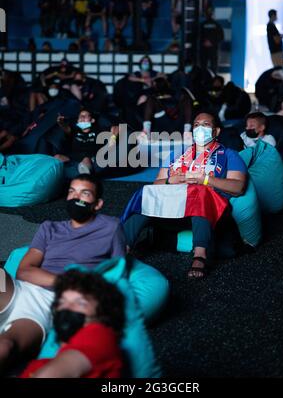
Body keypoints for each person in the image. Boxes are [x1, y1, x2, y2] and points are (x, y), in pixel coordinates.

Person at [0, 175, 126, 374]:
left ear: (98, 203)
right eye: (71, 191)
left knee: (5, 348)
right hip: (20, 289)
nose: (76, 197)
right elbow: (24, 270)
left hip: (45, 307)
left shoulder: (111, 227)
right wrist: (66, 281)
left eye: (84, 193)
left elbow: (119, 270)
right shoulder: (49, 227)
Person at [123, 112, 247, 279]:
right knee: (146, 193)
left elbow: (238, 187)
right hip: (173, 210)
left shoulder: (229, 155)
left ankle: (200, 256)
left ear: (216, 131)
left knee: (201, 192)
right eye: (196, 125)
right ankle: (122, 249)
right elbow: (156, 186)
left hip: (210, 215)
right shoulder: (178, 153)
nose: (200, 129)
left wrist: (204, 179)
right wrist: (171, 180)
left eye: (206, 125)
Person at [20, 270, 124, 378]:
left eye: (81, 303)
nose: (66, 308)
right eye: (62, 302)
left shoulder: (101, 335)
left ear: (102, 313)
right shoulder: (41, 363)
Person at [55, 109, 104, 174]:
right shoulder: (75, 131)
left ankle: (82, 178)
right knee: (57, 157)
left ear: (92, 120)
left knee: (86, 160)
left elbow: (115, 129)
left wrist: (113, 138)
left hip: (90, 157)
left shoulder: (98, 131)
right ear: (77, 121)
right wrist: (61, 122)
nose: (82, 117)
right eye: (80, 116)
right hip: (73, 158)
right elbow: (66, 128)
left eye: (85, 116)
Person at [199, 7, 224, 73]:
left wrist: (207, 42)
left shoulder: (202, 25)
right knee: (211, 66)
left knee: (206, 66)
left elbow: (221, 37)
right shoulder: (217, 25)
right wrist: (211, 42)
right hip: (210, 49)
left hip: (207, 49)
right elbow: (221, 37)